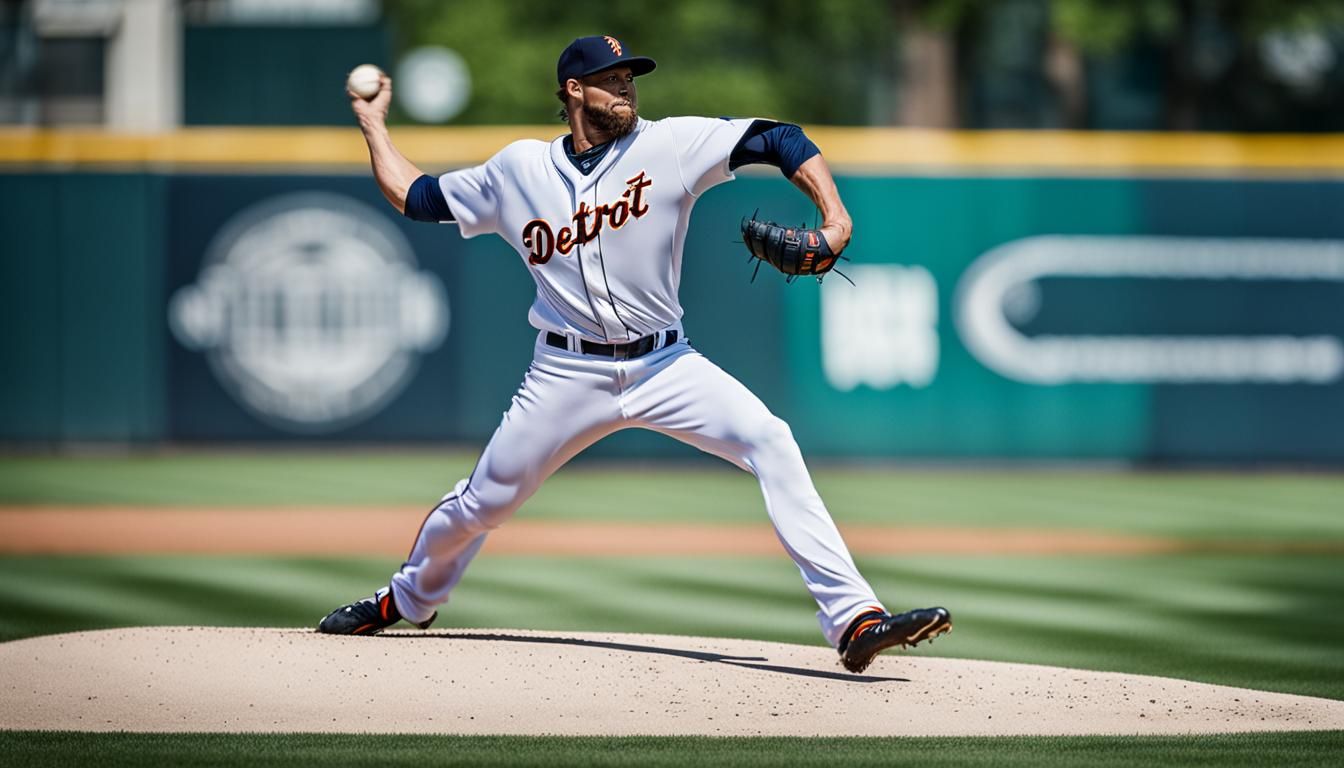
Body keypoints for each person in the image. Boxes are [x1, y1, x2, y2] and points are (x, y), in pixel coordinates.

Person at [318, 35, 951, 673]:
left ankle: (854, 619)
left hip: (664, 365)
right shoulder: (518, 171)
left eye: (629, 76)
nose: (624, 87)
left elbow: (778, 138)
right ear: (573, 90)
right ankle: (406, 598)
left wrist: (834, 216)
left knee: (770, 438)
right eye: (609, 77)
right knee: (483, 503)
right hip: (565, 373)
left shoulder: (668, 144)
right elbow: (417, 197)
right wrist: (372, 125)